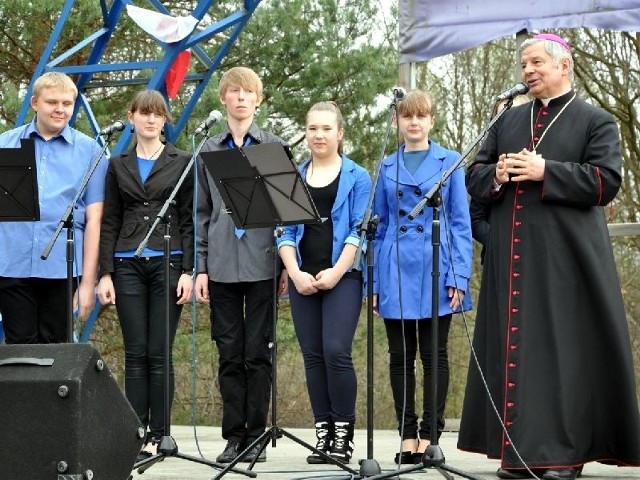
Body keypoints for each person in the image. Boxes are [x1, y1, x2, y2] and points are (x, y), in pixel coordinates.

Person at [458, 33, 640, 480]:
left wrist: (546, 171)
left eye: (536, 63)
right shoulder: (506, 122)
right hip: (513, 263)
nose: (528, 72)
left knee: (564, 357)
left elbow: (606, 181)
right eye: (523, 66)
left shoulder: (596, 120)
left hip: (568, 263)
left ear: (564, 66)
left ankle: (564, 457)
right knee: (519, 353)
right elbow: (474, 177)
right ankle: (521, 455)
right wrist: (496, 173)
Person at [372, 89, 473, 465]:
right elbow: (379, 229)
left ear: (431, 121)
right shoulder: (385, 166)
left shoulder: (450, 162)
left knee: (434, 354)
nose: (413, 122)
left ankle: (431, 434)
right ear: (397, 121)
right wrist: (376, 284)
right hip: (395, 265)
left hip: (438, 263)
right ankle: (406, 435)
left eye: (420, 116)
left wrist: (459, 275)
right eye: (406, 116)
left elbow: (461, 223)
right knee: (399, 357)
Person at [194, 66, 288, 464]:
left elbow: (286, 211)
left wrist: (286, 264)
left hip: (263, 262)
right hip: (220, 265)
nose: (241, 98)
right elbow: (200, 213)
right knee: (229, 352)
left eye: (248, 92)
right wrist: (199, 267)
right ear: (224, 99)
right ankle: (233, 437)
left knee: (258, 353)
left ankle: (256, 436)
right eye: (234, 91)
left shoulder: (273, 146)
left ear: (258, 100)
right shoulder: (208, 150)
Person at [97, 90, 194, 459]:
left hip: (169, 261)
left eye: (158, 114)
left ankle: (161, 433)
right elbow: (110, 219)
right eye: (144, 114)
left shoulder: (184, 161)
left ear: (165, 120)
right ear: (132, 117)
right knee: (136, 352)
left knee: (160, 351)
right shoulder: (117, 164)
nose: (151, 120)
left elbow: (189, 218)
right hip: (126, 262)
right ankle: (138, 433)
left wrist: (190, 269)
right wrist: (105, 273)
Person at [277, 101, 371, 464]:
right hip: (302, 278)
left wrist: (335, 272)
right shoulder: (292, 177)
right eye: (312, 128)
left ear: (339, 133)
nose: (318, 134)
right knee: (313, 356)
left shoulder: (358, 177)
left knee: (335, 350)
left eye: (326, 129)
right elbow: (283, 232)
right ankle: (323, 433)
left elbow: (357, 233)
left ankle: (343, 435)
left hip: (342, 277)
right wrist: (296, 273)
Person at [0, 72, 107, 344]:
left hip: (63, 268)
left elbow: (95, 220)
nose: (60, 109)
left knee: (57, 353)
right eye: (52, 102)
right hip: (12, 264)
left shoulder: (90, 151)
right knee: (19, 354)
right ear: (35, 102)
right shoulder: (5, 144)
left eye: (67, 104)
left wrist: (87, 283)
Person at [470, 95, 530, 263]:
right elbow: (476, 219)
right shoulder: (487, 168)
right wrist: (504, 243)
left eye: (517, 113)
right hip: (499, 259)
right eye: (503, 116)